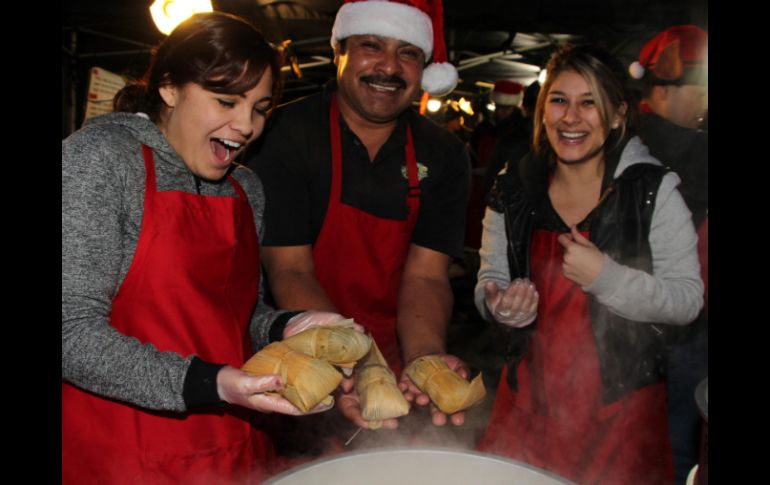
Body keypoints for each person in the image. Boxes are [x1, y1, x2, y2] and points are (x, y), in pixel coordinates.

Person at [62, 13, 352, 484]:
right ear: (170, 88)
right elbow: (69, 333)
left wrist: (284, 324)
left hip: (233, 450)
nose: (246, 126)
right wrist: (210, 383)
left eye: (260, 108)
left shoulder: (245, 189)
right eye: (225, 100)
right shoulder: (103, 160)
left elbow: (233, 318)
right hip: (119, 458)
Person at [475, 44, 703, 484]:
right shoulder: (513, 189)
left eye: (589, 103)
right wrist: (498, 303)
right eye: (559, 100)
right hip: (526, 408)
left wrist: (606, 277)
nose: (571, 117)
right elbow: (490, 278)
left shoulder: (653, 191)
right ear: (543, 110)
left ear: (618, 114)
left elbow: (687, 301)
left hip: (621, 419)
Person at [245, 0, 471, 437]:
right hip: (302, 360)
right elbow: (289, 268)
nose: (389, 67)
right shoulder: (286, 134)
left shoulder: (444, 154)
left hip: (396, 361)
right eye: (372, 45)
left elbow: (426, 277)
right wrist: (362, 366)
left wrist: (425, 358)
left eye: (408, 52)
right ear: (338, 51)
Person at [630, 24, 708, 485]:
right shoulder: (683, 148)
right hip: (677, 327)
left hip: (643, 317)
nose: (703, 103)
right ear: (661, 90)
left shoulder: (626, 136)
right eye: (697, 92)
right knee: (676, 443)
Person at [466, 80, 527, 249]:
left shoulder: (522, 131)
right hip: (479, 191)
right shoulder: (484, 128)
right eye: (498, 107)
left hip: (506, 193)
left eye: (505, 108)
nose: (500, 112)